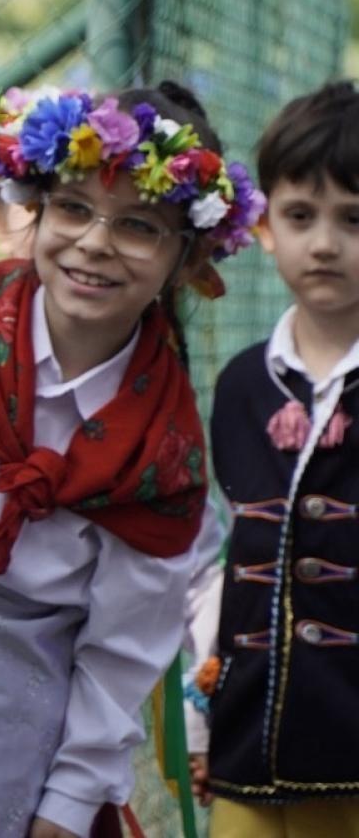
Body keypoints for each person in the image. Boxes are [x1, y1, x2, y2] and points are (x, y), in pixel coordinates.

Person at [0, 83, 263, 838]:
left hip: (21, 740)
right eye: (75, 209)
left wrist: (69, 802)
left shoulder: (163, 453)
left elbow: (123, 652)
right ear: (37, 210)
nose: (94, 242)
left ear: (186, 260)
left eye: (139, 226)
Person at [189, 80, 359, 838]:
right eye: (301, 216)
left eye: (354, 220)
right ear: (262, 226)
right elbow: (221, 563)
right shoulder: (241, 386)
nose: (324, 243)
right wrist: (201, 721)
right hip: (245, 750)